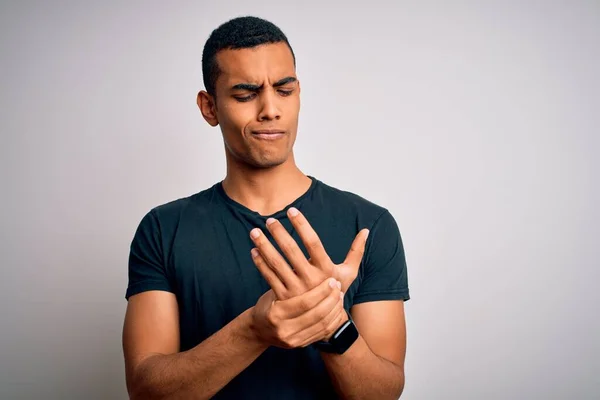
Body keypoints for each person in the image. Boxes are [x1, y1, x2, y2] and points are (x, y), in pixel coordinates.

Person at [122, 15, 410, 399]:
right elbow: (146, 391)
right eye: (245, 94)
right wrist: (254, 331)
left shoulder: (369, 225)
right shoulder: (163, 229)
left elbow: (384, 394)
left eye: (284, 90)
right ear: (210, 107)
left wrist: (331, 323)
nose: (270, 109)